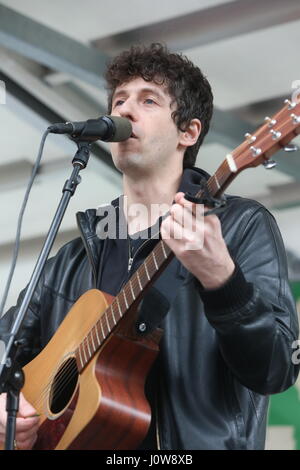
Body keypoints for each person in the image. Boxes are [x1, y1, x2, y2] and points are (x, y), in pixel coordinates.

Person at [0, 43, 299, 450]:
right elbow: (6, 351)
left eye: (148, 100)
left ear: (188, 131)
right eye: (119, 99)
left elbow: (277, 369)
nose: (123, 111)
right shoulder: (71, 259)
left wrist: (223, 282)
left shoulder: (237, 226)